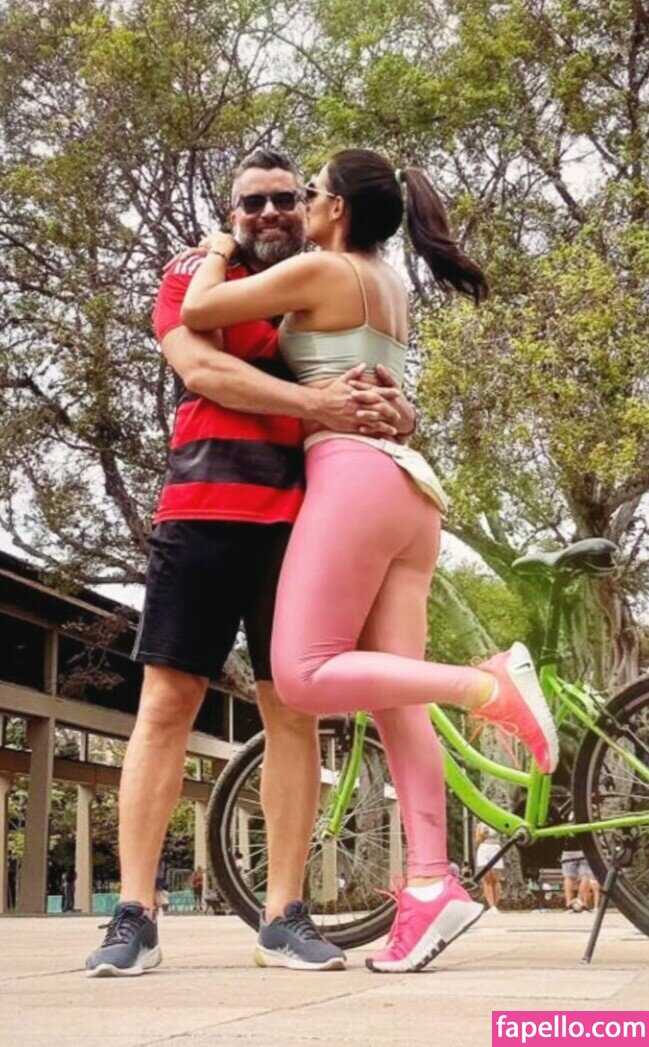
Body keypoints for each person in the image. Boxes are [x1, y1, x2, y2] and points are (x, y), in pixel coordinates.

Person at [181, 147, 560, 974]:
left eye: (312, 192)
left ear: (338, 210)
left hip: (350, 476)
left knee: (303, 673)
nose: (305, 203)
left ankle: (485, 685)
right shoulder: (387, 281)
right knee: (395, 700)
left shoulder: (324, 268)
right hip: (407, 491)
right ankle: (428, 885)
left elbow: (199, 308)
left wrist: (214, 248)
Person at [85, 148, 413, 978]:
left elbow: (368, 384)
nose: (269, 212)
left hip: (301, 524)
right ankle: (133, 913)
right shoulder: (191, 275)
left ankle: (284, 914)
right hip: (199, 512)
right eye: (251, 202)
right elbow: (200, 367)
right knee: (166, 704)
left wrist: (394, 409)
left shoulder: (325, 286)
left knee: (291, 711)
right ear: (231, 213)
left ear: (309, 207)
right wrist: (313, 401)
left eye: (284, 198)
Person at [474, 822, 504, 912]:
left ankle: (495, 905)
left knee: (495, 879)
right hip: (484, 849)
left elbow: (503, 835)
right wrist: (483, 835)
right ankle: (491, 906)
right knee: (487, 879)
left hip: (495, 848)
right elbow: (478, 840)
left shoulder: (497, 822)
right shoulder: (480, 825)